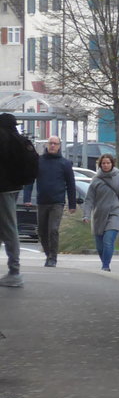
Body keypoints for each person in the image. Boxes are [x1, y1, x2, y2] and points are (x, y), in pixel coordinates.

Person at [22, 135, 77, 267]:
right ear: (47, 145)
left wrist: (72, 204)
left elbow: (71, 184)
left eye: (55, 144)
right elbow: (30, 180)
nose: (52, 146)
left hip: (57, 202)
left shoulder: (65, 163)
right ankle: (48, 254)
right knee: (42, 231)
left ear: (59, 146)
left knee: (53, 229)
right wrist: (27, 198)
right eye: (50, 143)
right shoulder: (39, 161)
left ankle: (53, 257)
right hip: (42, 201)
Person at [0, 113, 38, 288]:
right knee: (7, 227)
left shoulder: (3, 137)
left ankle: (14, 271)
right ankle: (13, 271)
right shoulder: (19, 139)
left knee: (9, 228)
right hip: (14, 188)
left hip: (3, 189)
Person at [82, 153, 119, 273]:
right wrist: (86, 214)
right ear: (100, 165)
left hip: (115, 213)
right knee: (100, 246)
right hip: (99, 215)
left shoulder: (118, 178)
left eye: (108, 163)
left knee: (108, 240)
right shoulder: (96, 180)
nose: (106, 165)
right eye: (103, 163)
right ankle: (104, 263)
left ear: (112, 164)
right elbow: (89, 200)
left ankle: (105, 266)